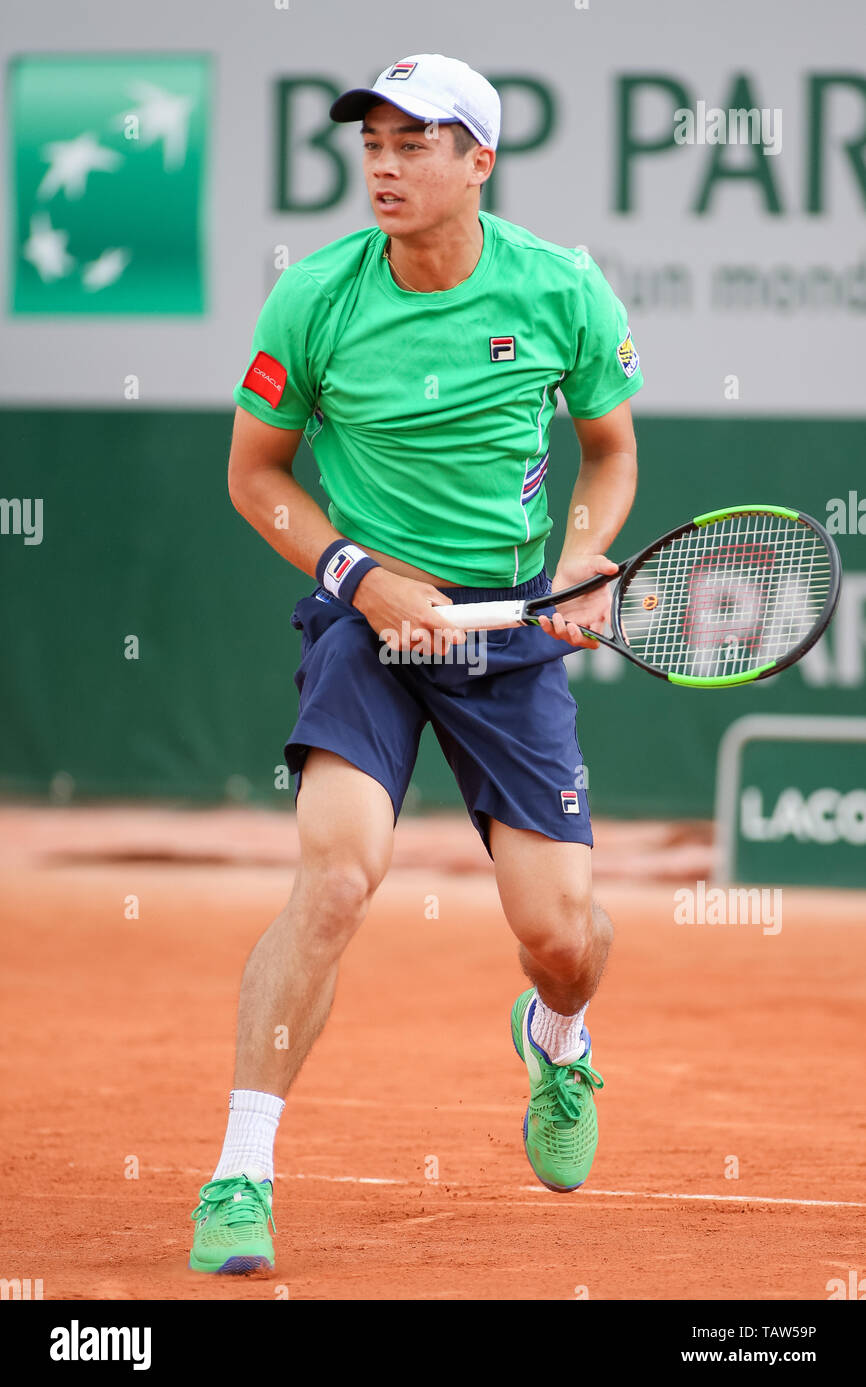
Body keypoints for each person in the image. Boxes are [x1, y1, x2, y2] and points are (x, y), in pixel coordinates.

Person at [189, 53, 642, 1274]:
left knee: (565, 936)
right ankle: (240, 1168)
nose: (383, 165)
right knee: (335, 880)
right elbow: (254, 475)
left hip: (507, 639)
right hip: (367, 625)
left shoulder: (560, 290)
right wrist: (363, 579)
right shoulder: (314, 298)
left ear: (476, 162)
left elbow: (606, 452)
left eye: (414, 143)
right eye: (372, 143)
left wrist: (581, 563)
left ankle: (556, 1036)